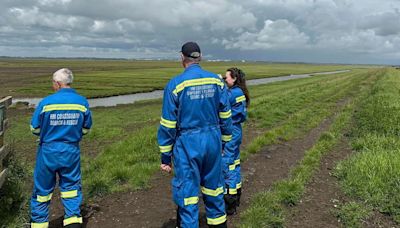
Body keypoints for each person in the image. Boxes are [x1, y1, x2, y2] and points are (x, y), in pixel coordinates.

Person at [157, 42, 233, 228]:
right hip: (213, 140)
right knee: (214, 189)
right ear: (200, 57)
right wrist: (224, 143)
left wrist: (165, 157)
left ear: (182, 57)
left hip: (188, 143)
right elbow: (226, 116)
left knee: (188, 194)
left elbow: (168, 125)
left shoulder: (176, 84)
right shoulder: (217, 81)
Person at [30, 68, 92, 228]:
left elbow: (34, 128)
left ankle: (38, 224)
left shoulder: (45, 103)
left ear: (57, 84)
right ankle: (73, 221)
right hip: (70, 151)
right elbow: (86, 129)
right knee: (71, 188)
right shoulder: (82, 102)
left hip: (48, 152)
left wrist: (49, 132)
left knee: (42, 191)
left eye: (53, 83)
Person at [221, 67, 249, 215]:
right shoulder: (240, 92)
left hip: (230, 132)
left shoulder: (231, 94)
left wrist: (217, 84)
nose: (225, 80)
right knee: (236, 162)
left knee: (228, 165)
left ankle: (229, 201)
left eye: (227, 78)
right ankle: (237, 193)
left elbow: (220, 101)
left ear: (234, 79)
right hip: (237, 130)